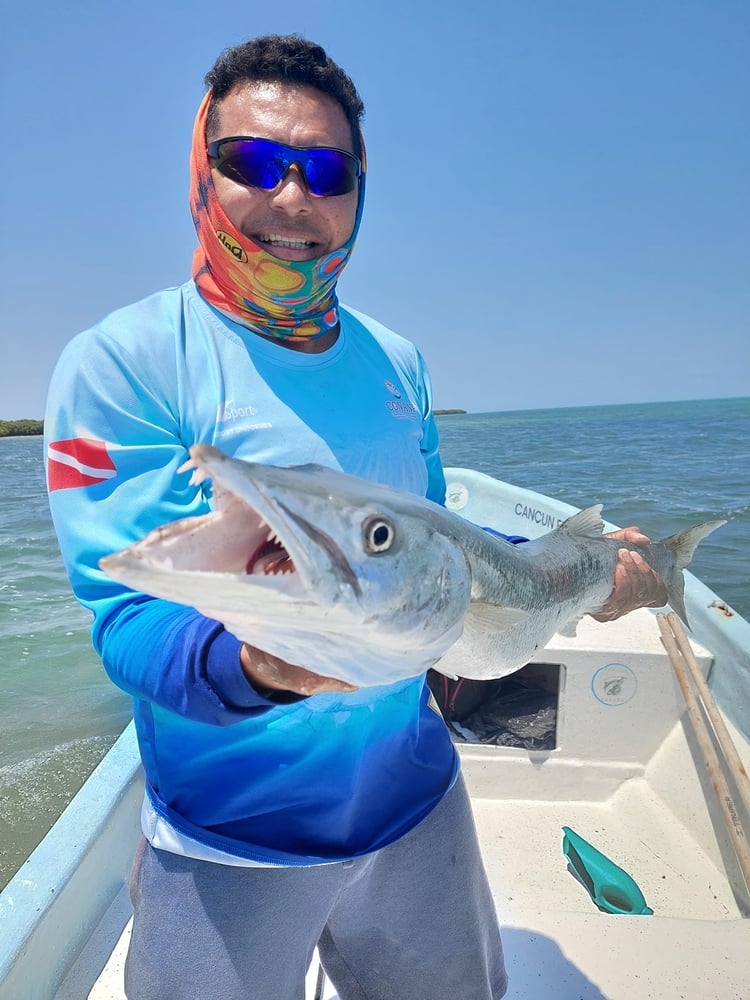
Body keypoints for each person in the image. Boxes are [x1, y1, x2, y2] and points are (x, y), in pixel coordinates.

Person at [45, 34, 667, 1000]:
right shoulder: (122, 363)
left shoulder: (397, 362)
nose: (293, 197)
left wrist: (580, 567)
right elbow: (127, 619)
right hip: (230, 836)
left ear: (358, 189)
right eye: (251, 162)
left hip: (415, 803)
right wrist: (257, 665)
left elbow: (430, 541)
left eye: (325, 170)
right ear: (199, 168)